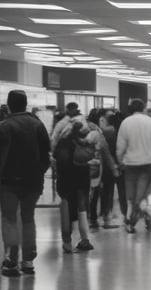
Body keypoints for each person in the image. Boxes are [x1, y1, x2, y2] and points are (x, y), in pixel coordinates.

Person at [0, 90, 51, 275]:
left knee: (9, 219)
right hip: (33, 182)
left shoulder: (5, 126)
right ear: (26, 104)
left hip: (8, 182)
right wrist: (39, 172)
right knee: (28, 218)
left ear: (9, 105)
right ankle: (28, 261)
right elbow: (47, 153)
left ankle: (11, 261)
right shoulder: (38, 125)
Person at [116, 99, 151, 233]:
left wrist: (119, 160)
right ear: (143, 108)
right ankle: (145, 216)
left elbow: (120, 145)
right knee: (139, 195)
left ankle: (132, 221)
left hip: (130, 164)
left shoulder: (125, 123)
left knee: (132, 196)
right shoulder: (150, 122)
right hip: (147, 163)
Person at [53, 119, 100, 251]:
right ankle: (85, 239)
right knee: (82, 208)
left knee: (66, 208)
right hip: (82, 177)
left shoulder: (62, 142)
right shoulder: (84, 141)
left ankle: (67, 242)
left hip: (65, 178)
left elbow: (56, 158)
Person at [84, 109, 118, 230]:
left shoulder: (82, 128)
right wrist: (113, 167)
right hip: (95, 167)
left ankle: (87, 219)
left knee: (87, 194)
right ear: (100, 119)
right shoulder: (97, 132)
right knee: (94, 193)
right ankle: (93, 220)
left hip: (81, 165)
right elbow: (105, 151)